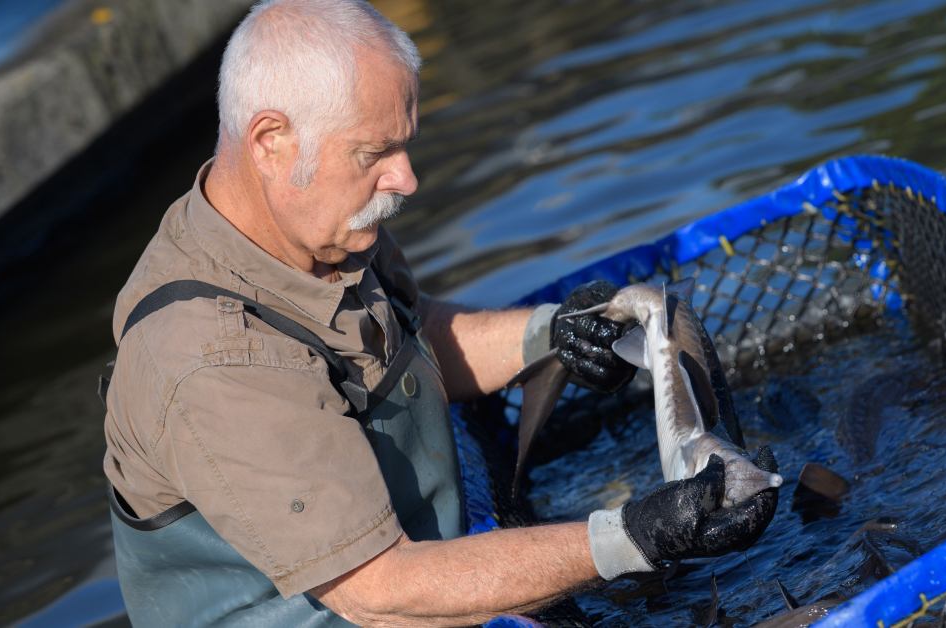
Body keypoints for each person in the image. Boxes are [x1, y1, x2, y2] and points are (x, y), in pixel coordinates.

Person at [101, 1, 777, 626]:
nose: (406, 179)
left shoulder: (320, 221)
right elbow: (382, 592)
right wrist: (635, 535)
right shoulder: (212, 362)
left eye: (404, 143)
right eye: (374, 153)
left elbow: (411, 338)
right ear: (271, 140)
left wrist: (549, 335)